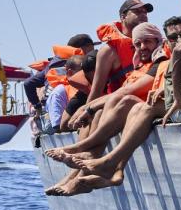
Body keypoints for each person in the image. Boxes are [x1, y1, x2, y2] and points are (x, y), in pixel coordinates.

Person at [45, 23, 167, 195]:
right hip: (135, 106)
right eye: (138, 44)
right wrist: (88, 109)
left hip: (152, 105)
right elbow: (64, 124)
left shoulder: (162, 58)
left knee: (124, 102)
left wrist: (88, 108)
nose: (142, 47)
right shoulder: (141, 65)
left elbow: (126, 91)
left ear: (158, 39)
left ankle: (85, 151)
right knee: (104, 109)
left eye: (147, 41)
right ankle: (86, 166)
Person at [88, 0, 153, 102]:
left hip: (149, 101)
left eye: (145, 12)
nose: (143, 15)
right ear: (123, 16)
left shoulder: (153, 43)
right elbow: (96, 91)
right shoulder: (109, 51)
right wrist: (86, 112)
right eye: (137, 11)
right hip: (121, 106)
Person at [24, 33, 96, 114]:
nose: (94, 51)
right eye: (92, 46)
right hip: (67, 110)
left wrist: (37, 106)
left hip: (49, 110)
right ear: (84, 47)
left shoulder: (52, 64)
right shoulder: (78, 63)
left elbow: (28, 83)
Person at [44, 55, 83, 133]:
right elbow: (57, 126)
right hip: (60, 131)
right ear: (70, 72)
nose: (86, 73)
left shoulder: (89, 87)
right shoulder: (59, 92)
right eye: (82, 71)